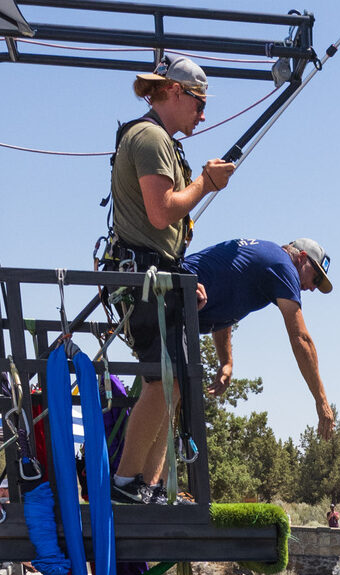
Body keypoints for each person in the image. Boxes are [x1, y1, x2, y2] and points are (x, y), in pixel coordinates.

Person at [106, 55, 236, 503]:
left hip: (159, 277)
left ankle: (151, 485)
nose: (203, 115)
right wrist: (205, 182)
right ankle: (126, 482)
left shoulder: (159, 140)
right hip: (144, 280)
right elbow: (162, 212)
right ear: (176, 92)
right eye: (199, 104)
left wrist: (183, 275)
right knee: (164, 383)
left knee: (176, 385)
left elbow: (162, 225)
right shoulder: (149, 137)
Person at [183, 237, 335, 441]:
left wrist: (226, 362)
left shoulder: (267, 259)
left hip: (175, 304)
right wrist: (322, 401)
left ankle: (145, 471)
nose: (313, 288)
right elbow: (301, 338)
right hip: (170, 298)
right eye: (315, 278)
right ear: (301, 258)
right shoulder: (284, 266)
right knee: (170, 391)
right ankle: (133, 472)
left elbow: (226, 303)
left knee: (170, 394)